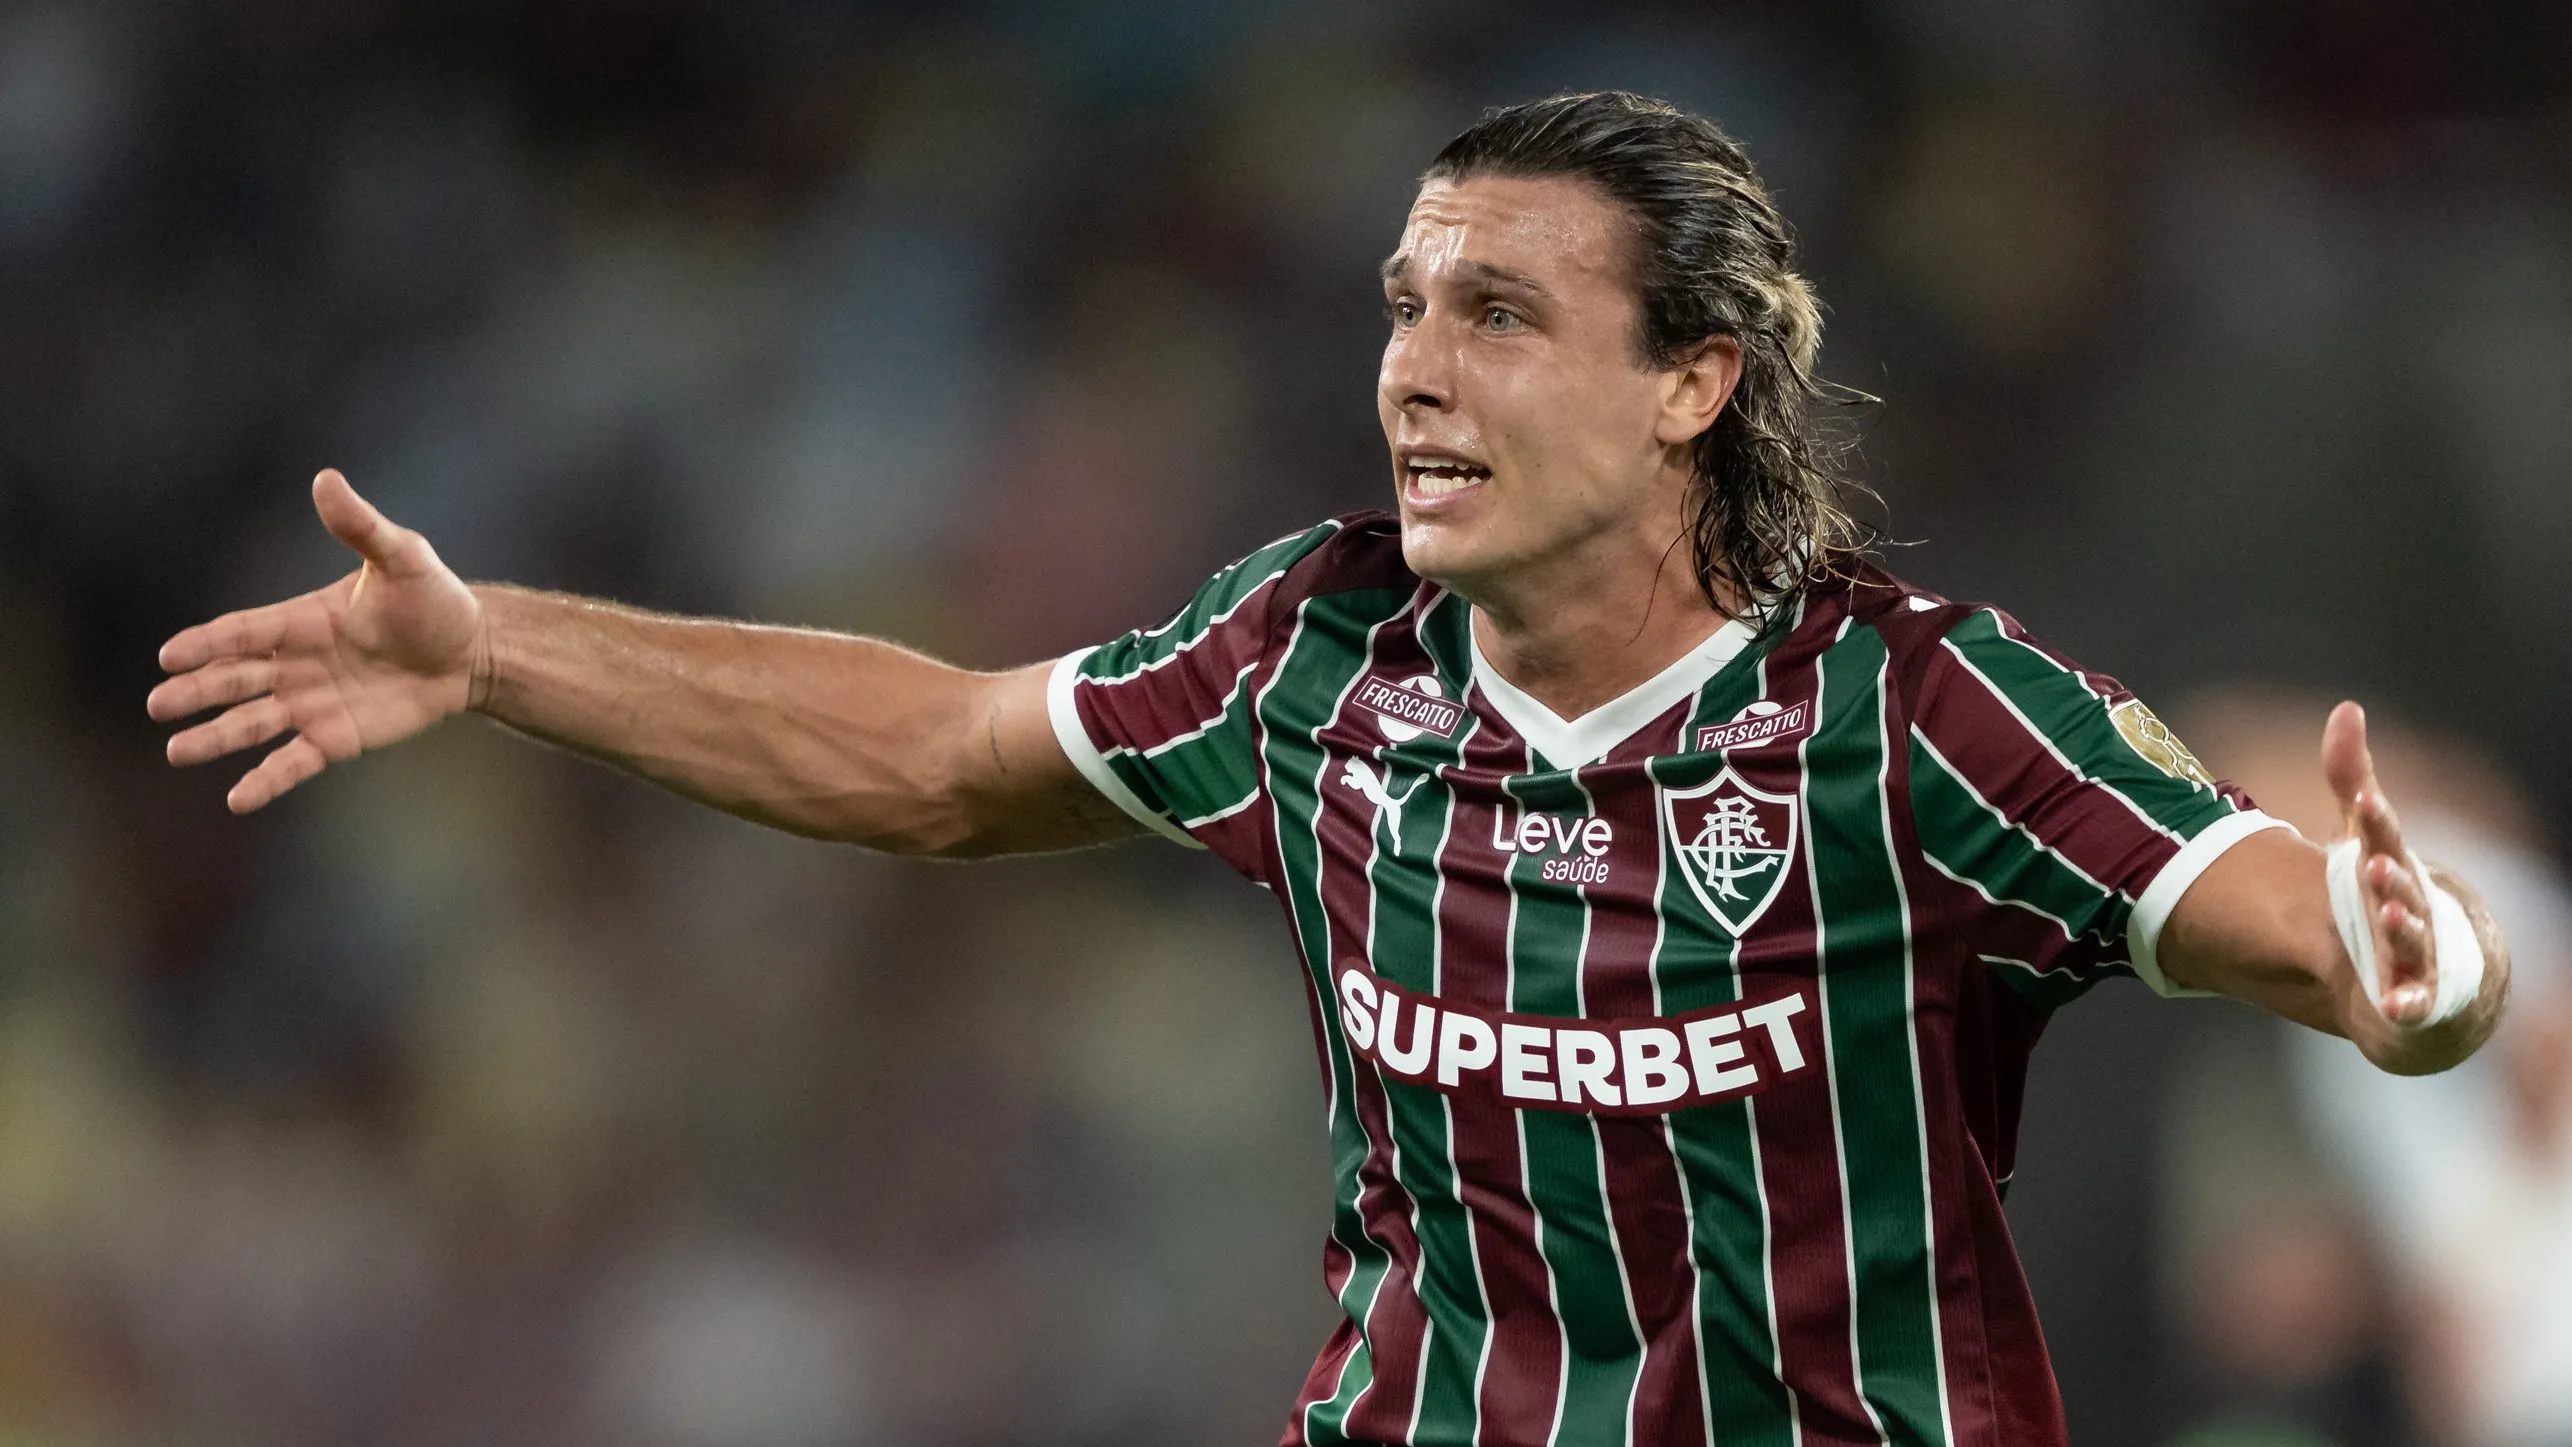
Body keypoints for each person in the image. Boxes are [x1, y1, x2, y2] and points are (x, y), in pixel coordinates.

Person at [148, 92, 2509, 1447]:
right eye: (1401, 305)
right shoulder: (1313, 653)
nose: (1409, 370)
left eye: (1495, 315)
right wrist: (501, 653)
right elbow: (947, 751)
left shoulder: (1908, 709)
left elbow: (2289, 927)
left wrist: (2425, 980)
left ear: (1692, 384)